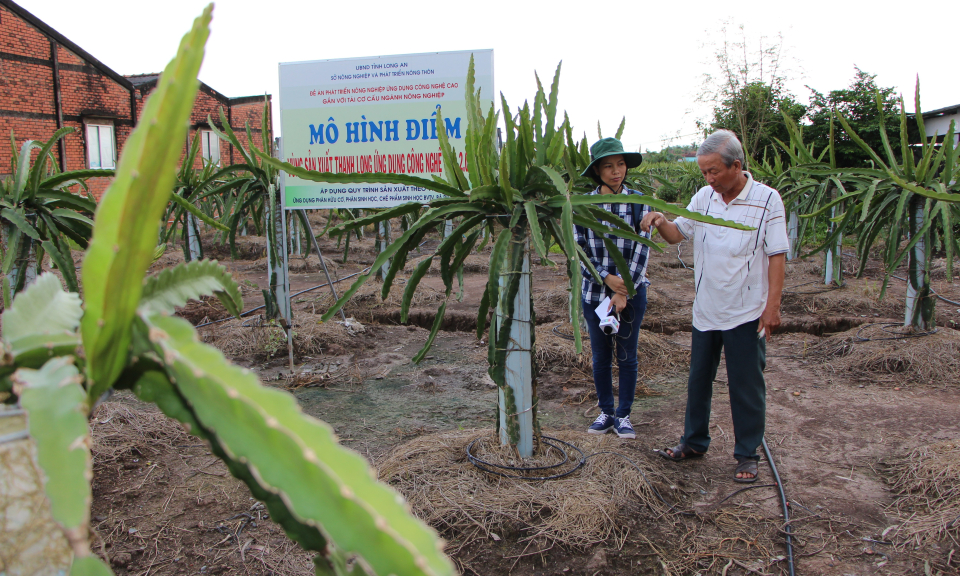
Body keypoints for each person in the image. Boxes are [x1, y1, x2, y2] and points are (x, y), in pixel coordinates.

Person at [640, 130, 788, 482]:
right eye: (704, 173)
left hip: (746, 310)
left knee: (745, 384)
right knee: (698, 380)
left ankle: (747, 453)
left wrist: (773, 306)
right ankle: (693, 442)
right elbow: (679, 233)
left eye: (714, 172)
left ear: (736, 166)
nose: (708, 179)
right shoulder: (704, 198)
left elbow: (777, 254)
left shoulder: (767, 200)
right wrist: (662, 221)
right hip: (707, 309)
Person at [574, 137, 654, 440]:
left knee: (627, 355)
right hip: (594, 293)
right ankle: (606, 411)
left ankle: (624, 415)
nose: (616, 171)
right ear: (597, 171)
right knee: (600, 356)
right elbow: (578, 249)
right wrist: (605, 278)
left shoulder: (639, 201)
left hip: (632, 293)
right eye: (608, 166)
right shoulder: (582, 205)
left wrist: (623, 290)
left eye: (620, 164)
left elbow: (643, 248)